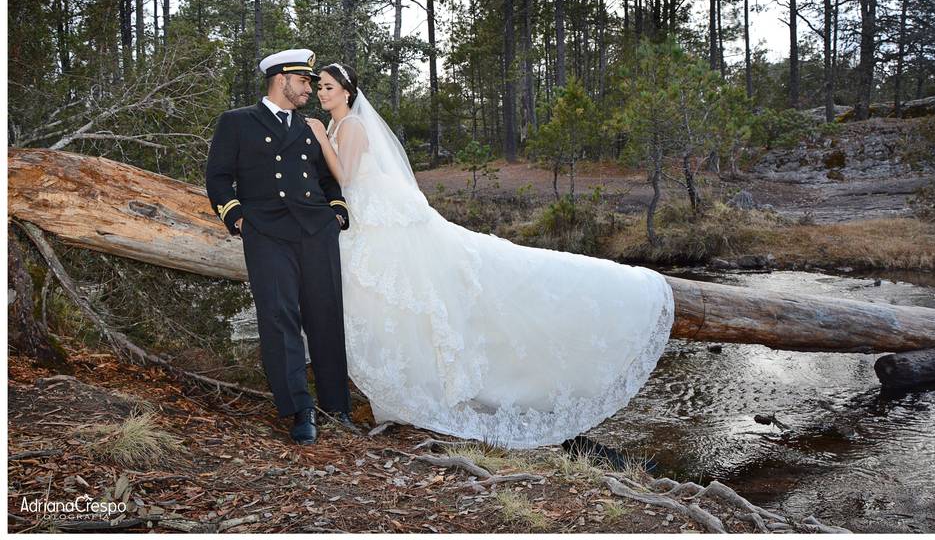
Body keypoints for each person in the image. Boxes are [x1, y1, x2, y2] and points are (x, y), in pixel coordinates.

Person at [306, 63, 675, 449]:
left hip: (380, 217)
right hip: (367, 217)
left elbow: (346, 176)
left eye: (329, 87)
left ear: (347, 92)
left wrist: (319, 136)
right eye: (320, 88)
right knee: (396, 304)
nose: (322, 93)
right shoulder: (338, 125)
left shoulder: (349, 126)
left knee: (427, 291)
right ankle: (400, 387)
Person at [205, 49, 354, 446]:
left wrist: (336, 209)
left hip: (316, 230)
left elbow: (327, 177)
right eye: (304, 81)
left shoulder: (308, 127)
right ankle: (299, 409)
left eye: (311, 82)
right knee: (280, 318)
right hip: (268, 232)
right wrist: (236, 217)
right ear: (280, 79)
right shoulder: (238, 122)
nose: (310, 89)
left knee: (326, 315)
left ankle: (337, 406)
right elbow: (217, 178)